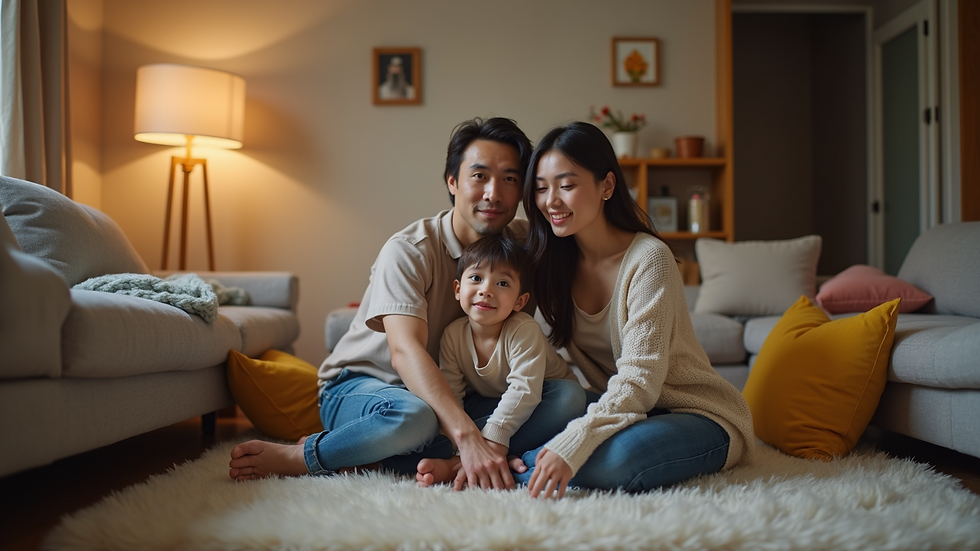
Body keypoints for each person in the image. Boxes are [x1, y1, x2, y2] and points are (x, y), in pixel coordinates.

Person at [228, 117, 584, 491]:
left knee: (567, 398)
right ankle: (307, 455)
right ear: (452, 182)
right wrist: (467, 436)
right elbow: (404, 350)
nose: (493, 193)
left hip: (459, 394)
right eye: (479, 176)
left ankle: (385, 458)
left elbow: (587, 251)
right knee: (413, 417)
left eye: (510, 179)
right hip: (369, 388)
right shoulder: (409, 250)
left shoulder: (527, 247)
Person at [515, 122, 755, 499]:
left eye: (567, 185)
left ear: (607, 186)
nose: (551, 201)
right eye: (542, 188)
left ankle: (515, 466)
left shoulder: (649, 261)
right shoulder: (551, 261)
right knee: (548, 413)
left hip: (696, 415)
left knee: (618, 459)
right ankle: (510, 460)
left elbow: (640, 382)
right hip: (627, 409)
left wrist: (573, 442)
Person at [416, 235, 584, 488]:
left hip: (545, 403)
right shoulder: (452, 335)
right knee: (448, 413)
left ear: (520, 301)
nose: (486, 290)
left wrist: (494, 441)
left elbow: (524, 391)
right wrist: (454, 439)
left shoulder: (523, 329)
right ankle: (480, 457)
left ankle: (464, 462)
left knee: (570, 397)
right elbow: (452, 394)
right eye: (476, 278)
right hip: (500, 405)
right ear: (458, 289)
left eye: (503, 283)